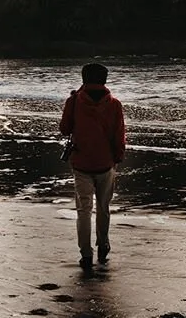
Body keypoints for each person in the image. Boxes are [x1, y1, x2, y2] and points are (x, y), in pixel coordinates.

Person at [59, 62, 126, 271]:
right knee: (103, 209)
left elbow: (64, 129)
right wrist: (117, 158)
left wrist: (73, 100)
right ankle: (103, 245)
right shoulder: (114, 104)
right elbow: (119, 136)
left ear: (84, 79)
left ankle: (86, 254)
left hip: (81, 164)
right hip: (106, 164)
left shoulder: (75, 101)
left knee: (83, 211)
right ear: (105, 80)